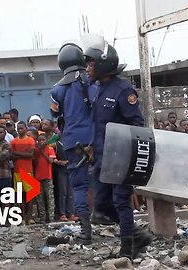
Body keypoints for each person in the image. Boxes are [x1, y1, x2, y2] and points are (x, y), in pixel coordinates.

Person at [84, 36, 152, 258]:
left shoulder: (123, 90)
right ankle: (137, 235)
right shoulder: (97, 89)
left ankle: (127, 250)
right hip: (103, 158)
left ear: (103, 64)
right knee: (101, 205)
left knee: (121, 201)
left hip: (121, 157)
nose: (88, 68)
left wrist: (129, 155)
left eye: (91, 63)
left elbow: (137, 123)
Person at [50, 42, 95, 243]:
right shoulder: (92, 82)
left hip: (72, 143)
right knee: (111, 182)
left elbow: (54, 112)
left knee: (78, 188)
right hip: (97, 139)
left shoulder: (57, 89)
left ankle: (86, 233)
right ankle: (123, 227)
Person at [11, 122, 35, 225]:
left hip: (28, 171)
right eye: (18, 128)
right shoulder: (13, 141)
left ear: (25, 128)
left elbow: (30, 154)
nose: (20, 130)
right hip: (17, 171)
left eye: (22, 128)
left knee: (30, 195)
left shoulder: (30, 140)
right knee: (20, 195)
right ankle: (22, 217)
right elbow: (11, 155)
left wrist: (17, 153)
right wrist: (23, 154)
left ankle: (30, 217)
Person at [54, 135, 78, 222]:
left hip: (70, 170)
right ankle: (62, 213)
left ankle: (71, 213)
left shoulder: (71, 145)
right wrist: (58, 161)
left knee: (70, 193)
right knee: (63, 192)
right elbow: (51, 156)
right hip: (61, 171)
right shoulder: (56, 145)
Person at [34, 134, 56, 223]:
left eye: (43, 140)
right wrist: (38, 151)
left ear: (46, 140)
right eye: (39, 140)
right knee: (40, 199)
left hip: (47, 176)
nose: (41, 142)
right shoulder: (36, 151)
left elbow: (51, 161)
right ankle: (43, 217)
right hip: (38, 177)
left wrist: (42, 152)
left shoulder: (50, 149)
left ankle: (51, 217)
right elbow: (34, 162)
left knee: (50, 198)